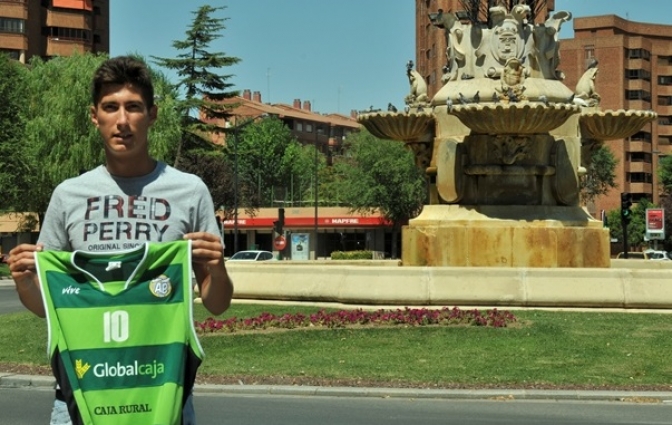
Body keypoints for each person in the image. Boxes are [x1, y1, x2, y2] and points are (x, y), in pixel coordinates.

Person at [7, 56, 233, 425]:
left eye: (134, 107)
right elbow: (52, 308)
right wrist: (23, 280)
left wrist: (217, 268)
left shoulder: (189, 192)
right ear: (95, 115)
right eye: (111, 107)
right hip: (79, 398)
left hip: (162, 398)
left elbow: (218, 304)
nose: (123, 120)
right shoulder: (69, 195)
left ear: (152, 114)